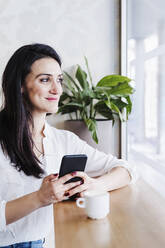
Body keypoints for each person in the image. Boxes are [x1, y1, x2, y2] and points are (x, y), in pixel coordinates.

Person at [0, 43, 136, 247]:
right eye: (45, 80)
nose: (57, 89)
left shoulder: (63, 141)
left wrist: (94, 185)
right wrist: (40, 198)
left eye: (59, 80)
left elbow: (127, 170)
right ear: (19, 84)